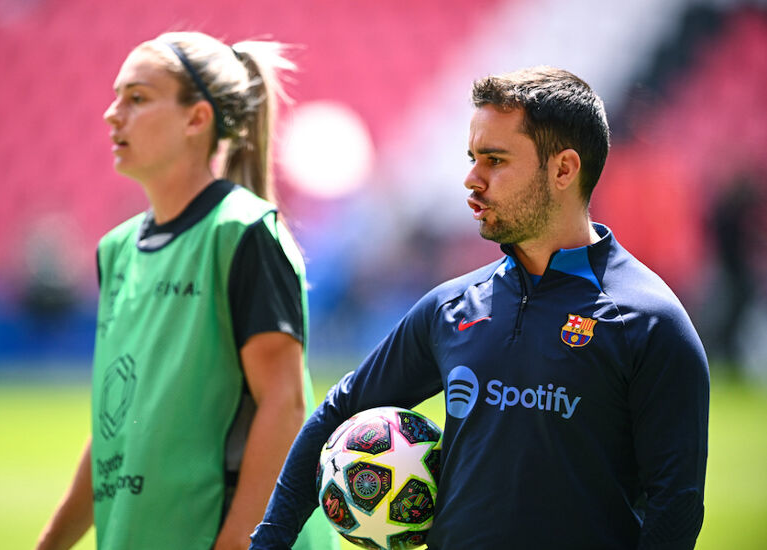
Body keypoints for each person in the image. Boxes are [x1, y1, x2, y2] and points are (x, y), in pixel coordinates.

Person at [250, 67, 710, 549]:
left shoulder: (650, 321)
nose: (471, 179)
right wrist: (271, 540)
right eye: (472, 158)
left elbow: (675, 505)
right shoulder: (448, 308)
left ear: (563, 170)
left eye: (494, 159)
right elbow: (337, 413)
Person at [35, 31, 338, 550]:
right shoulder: (116, 250)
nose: (112, 114)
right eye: (116, 97)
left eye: (137, 98)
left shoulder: (242, 233)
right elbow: (116, 429)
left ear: (196, 119)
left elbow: (283, 407)